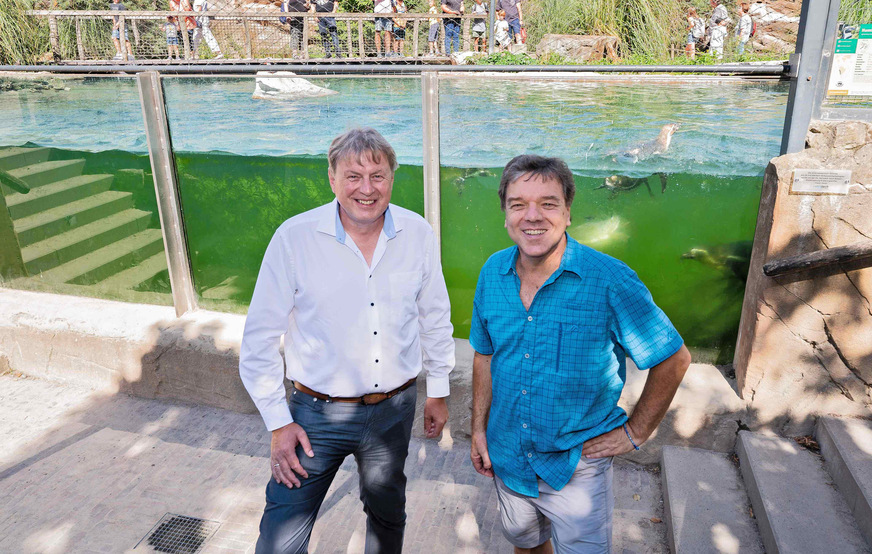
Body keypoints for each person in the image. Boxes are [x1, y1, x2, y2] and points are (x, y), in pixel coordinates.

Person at [240, 128, 455, 554]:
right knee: (280, 539)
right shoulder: (294, 238)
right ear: (332, 179)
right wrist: (278, 421)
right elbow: (259, 338)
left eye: (378, 175)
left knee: (388, 514)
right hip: (313, 415)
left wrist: (439, 391)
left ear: (393, 178)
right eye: (353, 176)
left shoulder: (418, 234)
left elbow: (435, 315)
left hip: (394, 410)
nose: (367, 188)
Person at [469, 155, 690, 554]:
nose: (532, 216)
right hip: (507, 457)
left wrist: (636, 431)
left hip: (576, 466)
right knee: (525, 540)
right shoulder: (491, 272)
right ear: (505, 213)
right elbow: (484, 357)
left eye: (548, 203)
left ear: (568, 212)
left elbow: (673, 358)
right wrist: (480, 430)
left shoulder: (609, 278)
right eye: (519, 204)